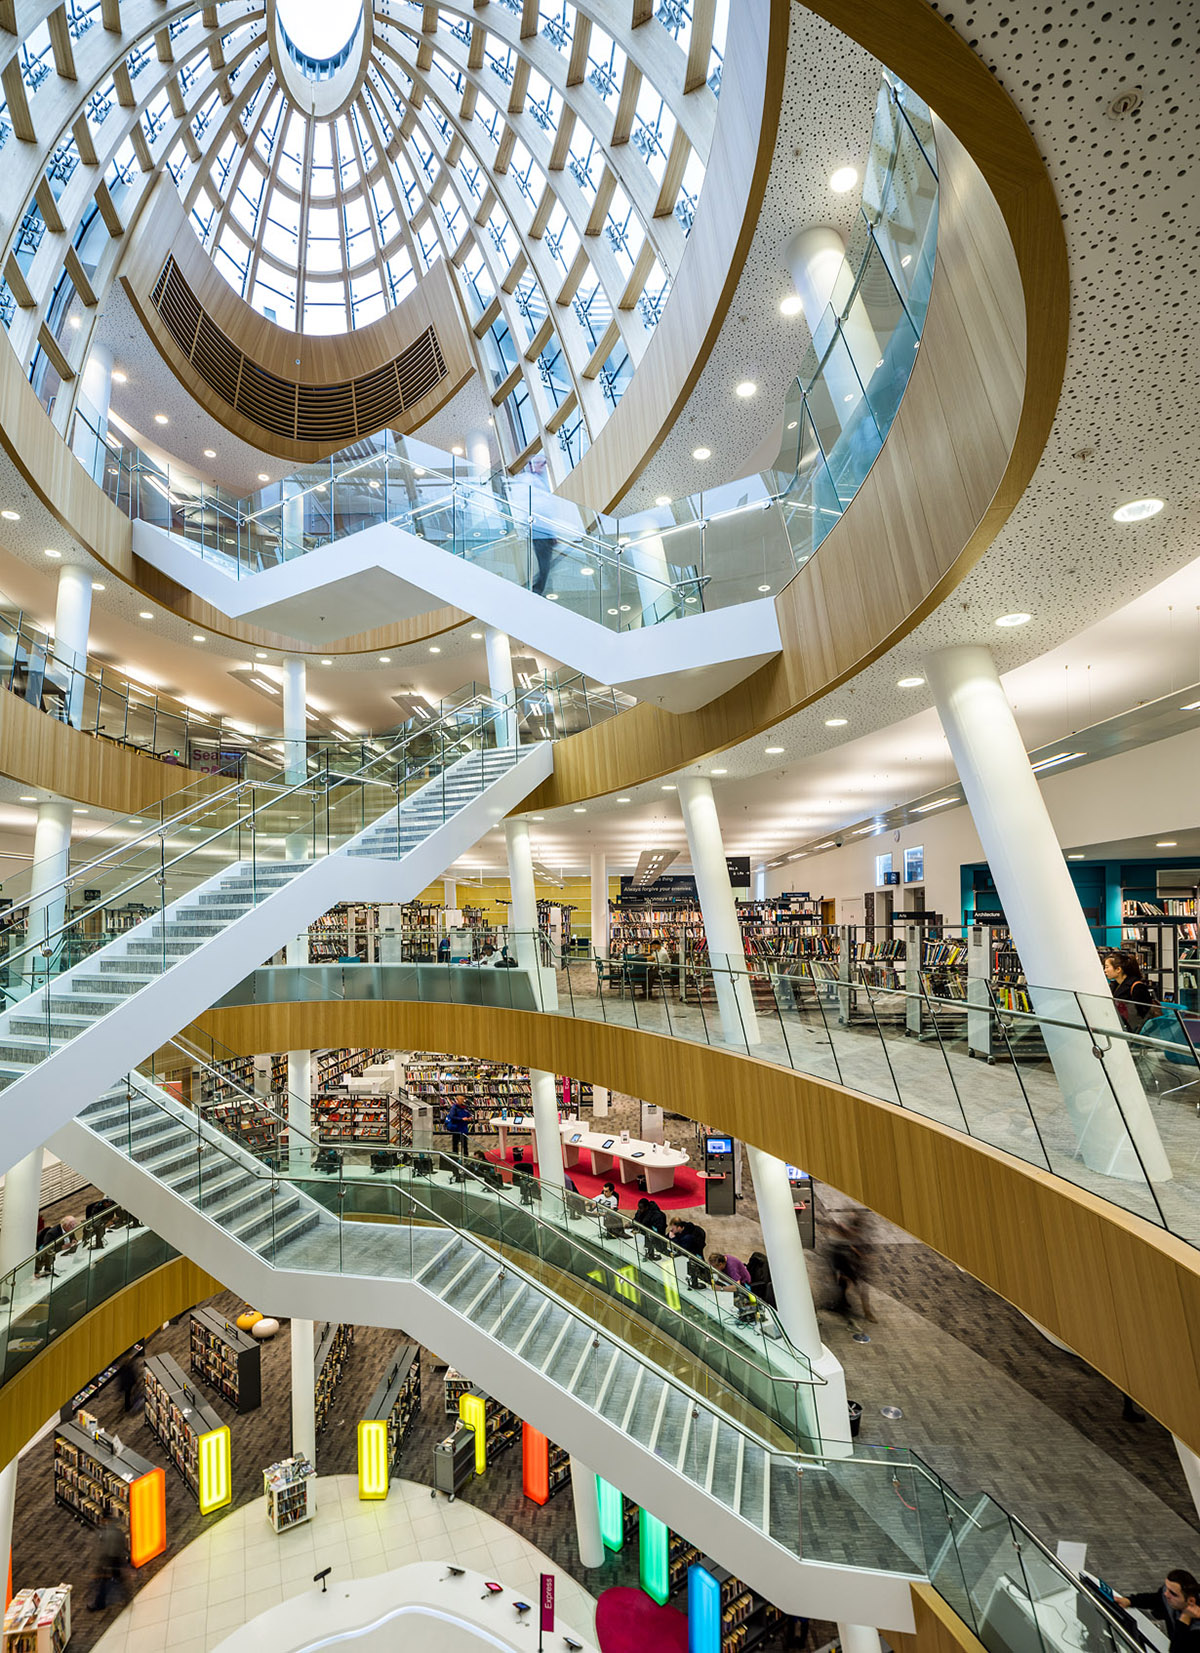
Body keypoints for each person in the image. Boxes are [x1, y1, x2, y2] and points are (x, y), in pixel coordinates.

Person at [1114, 1571, 1200, 1650]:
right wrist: (1130, 1601)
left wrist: (1184, 1619)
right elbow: (1156, 1599)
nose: (1166, 1594)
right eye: (1166, 1588)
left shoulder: (1197, 1628)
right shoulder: (1170, 1597)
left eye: (1172, 1593)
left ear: (1191, 1601)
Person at [828, 1207, 873, 1320]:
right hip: (847, 1262)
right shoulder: (850, 1233)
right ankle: (843, 1302)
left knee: (860, 1288)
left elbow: (863, 1252)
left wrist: (855, 1251)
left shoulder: (858, 1235)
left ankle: (867, 1312)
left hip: (855, 1265)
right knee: (842, 1283)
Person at [1103, 950, 1157, 1031]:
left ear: (1118, 969)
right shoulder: (1114, 985)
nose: (1105, 970)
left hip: (1134, 1030)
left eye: (1107, 967)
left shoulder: (1137, 987)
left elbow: (1144, 1015)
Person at [87, 1511, 129, 1612]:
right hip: (117, 1559)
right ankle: (127, 1597)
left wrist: (103, 1565)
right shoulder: (118, 1531)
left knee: (104, 1583)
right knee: (119, 1579)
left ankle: (99, 1604)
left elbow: (107, 1549)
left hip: (109, 1560)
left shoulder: (107, 1533)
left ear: (105, 1520)